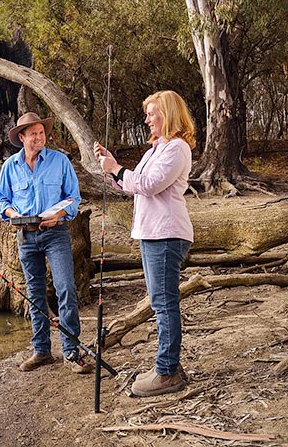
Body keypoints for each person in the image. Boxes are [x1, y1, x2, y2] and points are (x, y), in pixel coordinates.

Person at [93, 90, 195, 396]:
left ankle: (166, 373)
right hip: (151, 234)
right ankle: (170, 365)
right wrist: (112, 168)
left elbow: (149, 185)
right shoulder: (155, 150)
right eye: (147, 114)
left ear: (168, 115)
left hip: (166, 234)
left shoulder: (176, 149)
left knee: (164, 304)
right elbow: (135, 183)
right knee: (159, 302)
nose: (147, 119)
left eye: (152, 113)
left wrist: (117, 170)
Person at [0, 112, 93, 374]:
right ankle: (41, 351)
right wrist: (13, 215)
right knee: (34, 294)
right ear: (22, 137)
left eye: (41, 132)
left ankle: (71, 352)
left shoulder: (60, 161)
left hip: (56, 234)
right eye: (33, 133)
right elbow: (1, 201)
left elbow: (73, 198)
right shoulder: (10, 167)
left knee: (65, 289)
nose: (39, 137)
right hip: (25, 236)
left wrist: (57, 214)